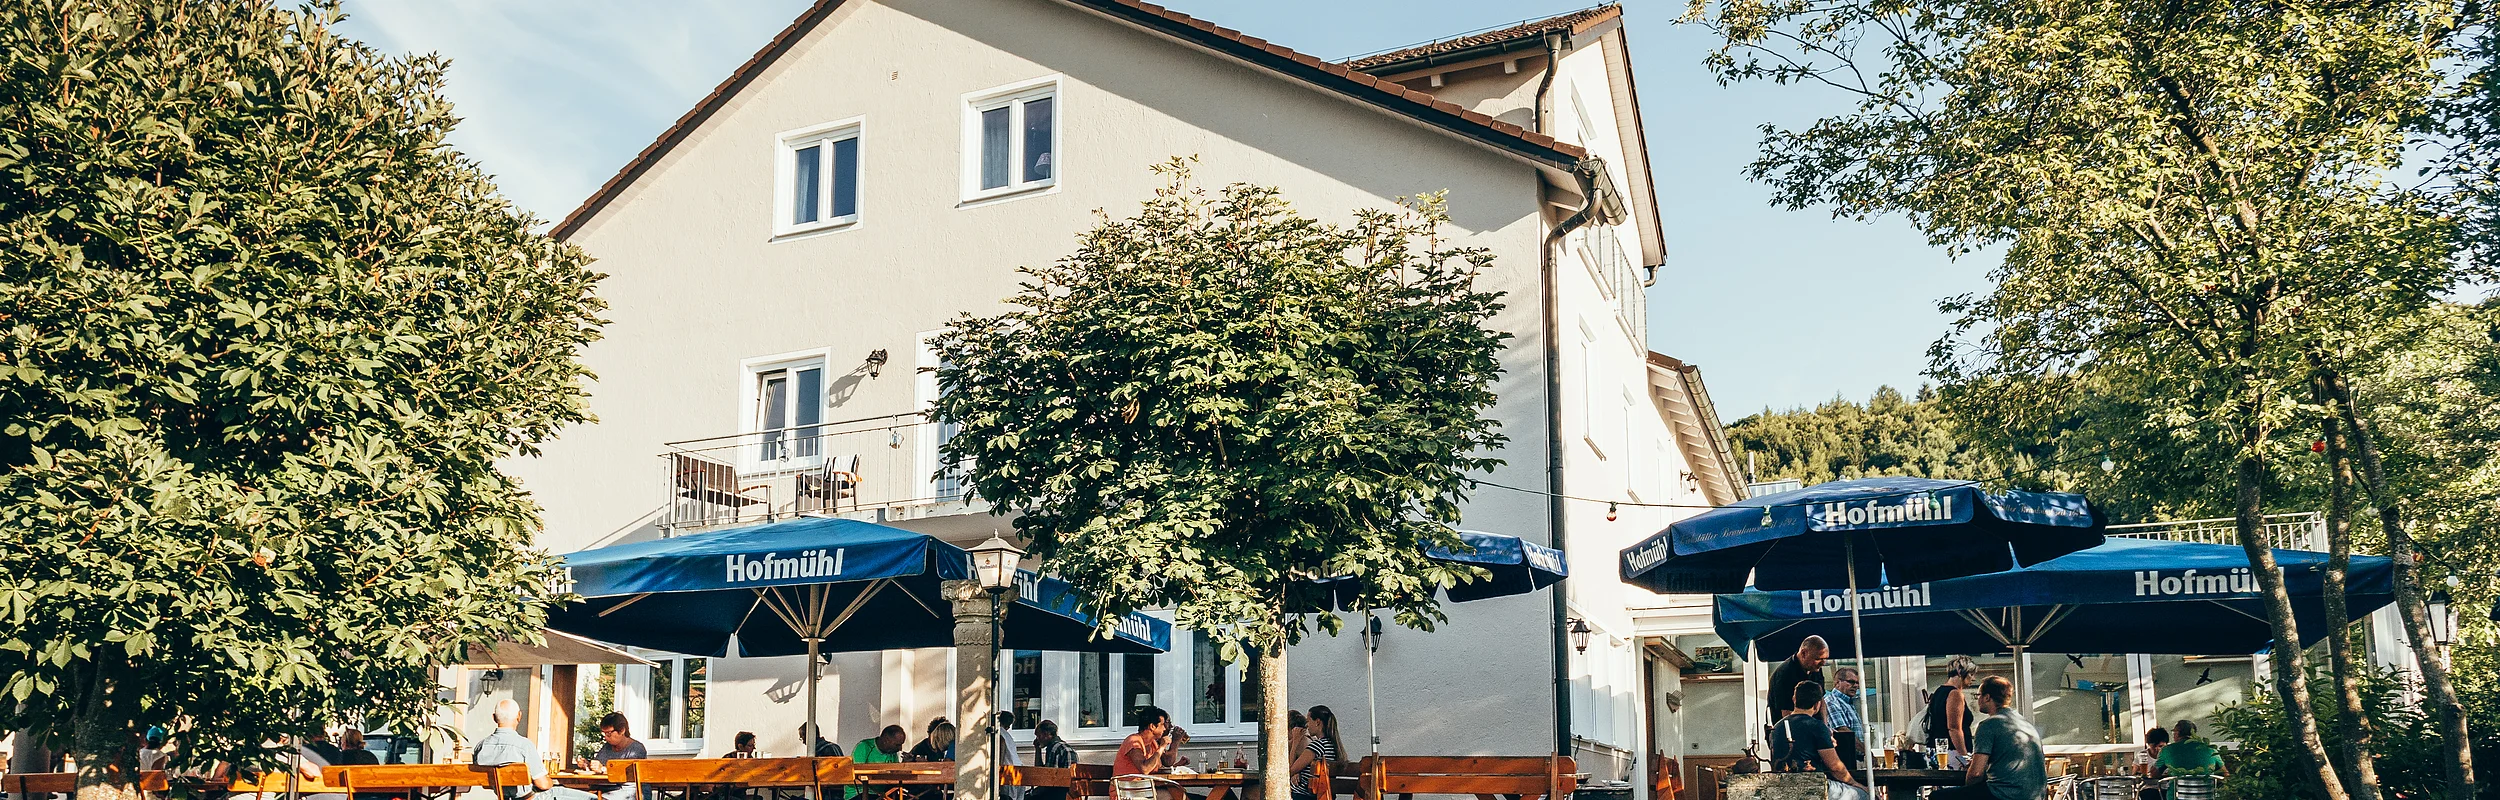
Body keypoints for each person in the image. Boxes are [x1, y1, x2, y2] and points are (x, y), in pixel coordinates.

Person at [1931, 676, 2045, 800]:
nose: (1978, 699)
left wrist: (1966, 787)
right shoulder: (2024, 723)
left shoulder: (1988, 725)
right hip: (2035, 795)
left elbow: (1976, 774)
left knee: (1937, 797)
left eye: (1978, 695)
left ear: (1987, 697)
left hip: (2004, 794)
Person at [474, 699, 598, 800]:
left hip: (504, 797)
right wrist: (550, 781)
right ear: (519, 716)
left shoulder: (480, 747)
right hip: (531, 797)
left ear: (494, 718)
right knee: (592, 798)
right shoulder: (523, 745)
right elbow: (543, 784)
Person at [1768, 681, 1870, 800]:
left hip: (1784, 787)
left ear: (1794, 699)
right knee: (1864, 795)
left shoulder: (1777, 727)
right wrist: (1856, 784)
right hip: (1814, 786)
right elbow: (1835, 767)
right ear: (1818, 704)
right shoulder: (1817, 726)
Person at [1115, 707, 1184, 800]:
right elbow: (1145, 768)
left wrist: (1177, 765)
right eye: (1162, 725)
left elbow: (1165, 763)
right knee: (1177, 796)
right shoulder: (1133, 741)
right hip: (1129, 793)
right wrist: (1162, 747)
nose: (1165, 728)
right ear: (1152, 726)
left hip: (1145, 789)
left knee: (1179, 793)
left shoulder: (1152, 743)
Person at [579, 712, 647, 800]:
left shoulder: (636, 749)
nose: (606, 737)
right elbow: (598, 767)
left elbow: (629, 775)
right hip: (607, 792)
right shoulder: (607, 747)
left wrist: (603, 769)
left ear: (622, 730)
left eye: (609, 733)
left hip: (630, 793)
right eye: (604, 734)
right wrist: (588, 765)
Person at [2150, 720, 2226, 798]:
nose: (2173, 736)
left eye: (2174, 732)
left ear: (2178, 733)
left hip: (2177, 797)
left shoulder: (2167, 750)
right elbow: (2225, 774)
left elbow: (2154, 774)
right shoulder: (2210, 749)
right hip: (2206, 797)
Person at [1821, 667, 1866, 781]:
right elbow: (1843, 732)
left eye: (1857, 683)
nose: (1855, 686)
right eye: (1851, 682)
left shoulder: (1848, 703)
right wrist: (1867, 752)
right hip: (1844, 762)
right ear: (1837, 683)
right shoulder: (1832, 701)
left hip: (1856, 759)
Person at [1926, 658, 1976, 760]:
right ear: (1960, 672)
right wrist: (1965, 756)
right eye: (1971, 674)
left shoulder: (1938, 692)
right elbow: (1954, 728)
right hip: (1952, 753)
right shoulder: (1955, 694)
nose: (1973, 678)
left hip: (1936, 750)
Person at [1770, 637, 1830, 720]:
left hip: (1811, 724)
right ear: (1804, 653)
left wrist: (1824, 727)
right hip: (1788, 727)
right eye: (1818, 659)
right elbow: (1786, 713)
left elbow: (1821, 699)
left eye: (1825, 659)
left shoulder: (1815, 668)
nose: (1823, 663)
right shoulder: (1785, 674)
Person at [1291, 706, 1341, 800]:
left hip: (1302, 795)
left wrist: (1295, 742)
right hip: (1320, 795)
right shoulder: (1332, 745)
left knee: (1256, 791)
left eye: (1308, 721)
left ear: (1317, 722)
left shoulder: (1317, 746)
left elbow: (1289, 771)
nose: (1307, 725)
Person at [844, 726, 907, 800]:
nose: (900, 749)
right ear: (886, 740)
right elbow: (856, 773)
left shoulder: (892, 753)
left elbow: (896, 775)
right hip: (858, 792)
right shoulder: (864, 747)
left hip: (882, 794)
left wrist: (906, 764)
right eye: (897, 745)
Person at [1029, 721, 1079, 800]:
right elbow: (1041, 772)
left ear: (1046, 734)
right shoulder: (1069, 748)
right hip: (1072, 792)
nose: (1037, 739)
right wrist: (1038, 749)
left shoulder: (1054, 748)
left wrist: (1032, 793)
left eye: (1038, 736)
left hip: (1059, 793)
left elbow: (1048, 779)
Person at [339, 729, 393, 800]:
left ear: (344, 743)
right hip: (371, 796)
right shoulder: (371, 756)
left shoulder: (341, 757)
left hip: (348, 796)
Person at [996, 712, 1027, 800]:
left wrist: (998, 769)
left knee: (1008, 797)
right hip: (1019, 769)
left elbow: (1002, 748)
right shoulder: (1007, 735)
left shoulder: (999, 734)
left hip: (1008, 771)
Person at [2133, 727, 2171, 800]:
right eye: (2153, 746)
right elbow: (2134, 774)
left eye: (2161, 746)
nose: (2157, 749)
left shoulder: (2169, 755)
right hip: (2148, 788)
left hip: (2166, 787)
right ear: (2149, 745)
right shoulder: (2142, 755)